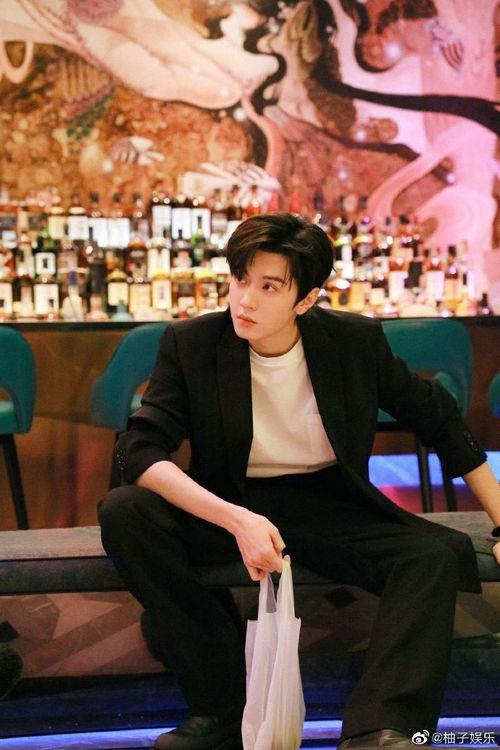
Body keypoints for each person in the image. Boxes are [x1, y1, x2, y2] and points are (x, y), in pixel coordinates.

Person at [98, 212, 500, 750]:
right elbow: (141, 448)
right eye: (240, 279)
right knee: (125, 513)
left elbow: (439, 418)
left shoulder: (352, 342)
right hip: (230, 503)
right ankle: (220, 712)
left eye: (269, 287)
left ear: (306, 299)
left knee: (430, 557)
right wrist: (237, 520)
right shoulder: (192, 343)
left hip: (331, 503)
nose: (245, 300)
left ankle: (381, 729)